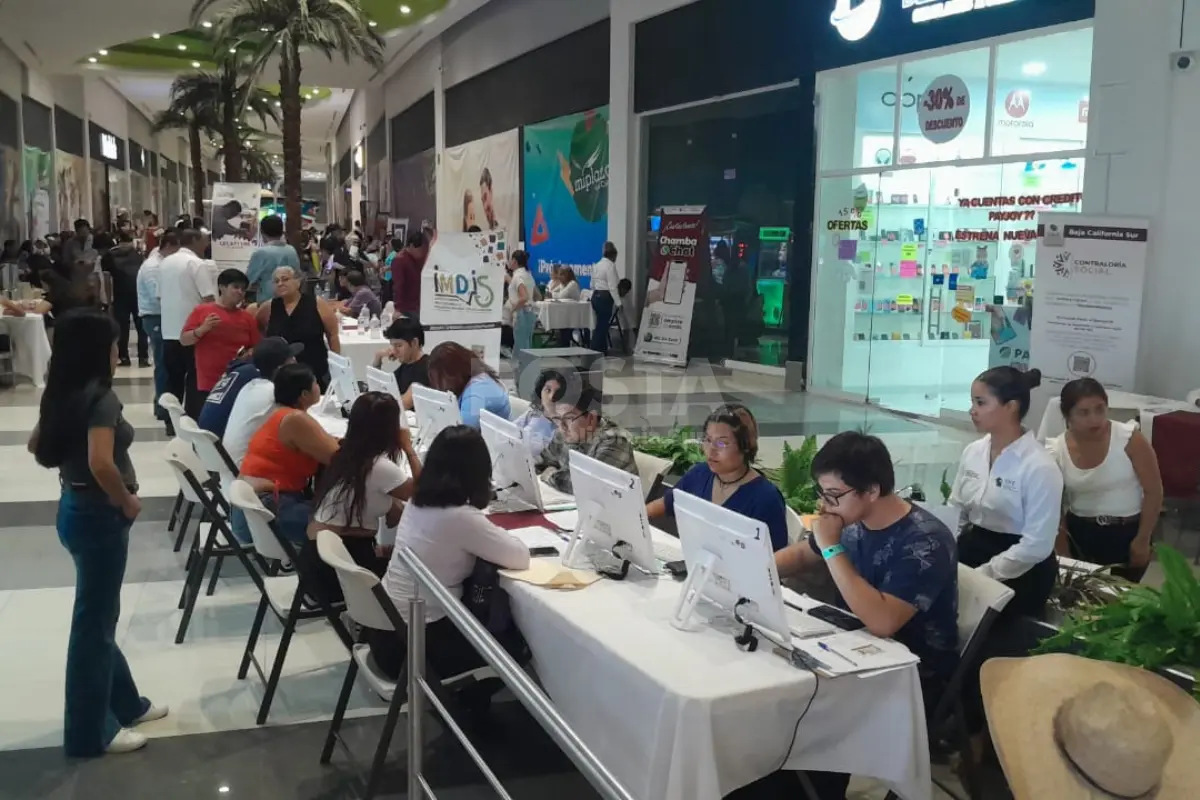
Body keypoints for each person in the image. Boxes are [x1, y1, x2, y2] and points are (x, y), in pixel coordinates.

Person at [773, 431, 959, 800]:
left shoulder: (926, 541)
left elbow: (883, 622)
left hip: (910, 675)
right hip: (851, 651)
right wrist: (753, 566)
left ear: (871, 490)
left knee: (796, 716)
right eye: (822, 493)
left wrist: (830, 546)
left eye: (833, 495)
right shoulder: (853, 519)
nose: (825, 505)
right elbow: (800, 555)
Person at [29, 310, 166, 756]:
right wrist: (125, 500)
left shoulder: (62, 393)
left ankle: (126, 703)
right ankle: (91, 734)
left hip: (72, 506)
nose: (117, 352)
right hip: (99, 514)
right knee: (93, 624)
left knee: (99, 616)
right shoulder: (102, 399)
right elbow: (102, 462)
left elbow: (36, 444)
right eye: (112, 345)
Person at [369, 426, 530, 681]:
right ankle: (468, 709)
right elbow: (520, 556)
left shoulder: (417, 501)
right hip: (415, 650)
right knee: (515, 646)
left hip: (386, 634)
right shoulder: (461, 517)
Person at [951, 367, 1062, 618]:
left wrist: (985, 574)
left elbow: (1037, 543)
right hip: (972, 552)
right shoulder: (973, 451)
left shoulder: (1040, 466)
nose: (972, 410)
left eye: (981, 403)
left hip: (1021, 570)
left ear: (1011, 407)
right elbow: (957, 507)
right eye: (972, 402)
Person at [303, 392, 423, 602]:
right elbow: (422, 492)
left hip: (315, 564)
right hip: (338, 576)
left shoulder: (345, 454)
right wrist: (408, 448)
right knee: (420, 577)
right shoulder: (379, 467)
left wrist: (393, 506)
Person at [1048, 378, 1163, 582]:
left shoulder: (1129, 439)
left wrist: (1143, 539)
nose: (1094, 419)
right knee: (1082, 602)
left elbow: (1154, 490)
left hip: (1127, 533)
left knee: (1120, 600)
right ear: (1068, 416)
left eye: (1100, 409)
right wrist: (1062, 548)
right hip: (1081, 534)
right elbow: (1054, 505)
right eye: (1084, 412)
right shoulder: (1057, 450)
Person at [647, 404, 789, 551]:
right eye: (708, 440)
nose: (711, 450)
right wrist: (635, 519)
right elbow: (668, 502)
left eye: (722, 443)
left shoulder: (766, 499)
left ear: (746, 445)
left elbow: (773, 561)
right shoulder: (700, 474)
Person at [234, 363, 340, 545]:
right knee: (345, 525)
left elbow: (324, 444)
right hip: (266, 512)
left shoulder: (281, 415)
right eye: (315, 383)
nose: (318, 386)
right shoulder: (296, 420)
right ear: (304, 395)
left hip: (255, 509)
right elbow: (338, 458)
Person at [181, 269, 260, 411]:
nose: (240, 292)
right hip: (207, 380)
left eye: (243, 289)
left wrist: (248, 354)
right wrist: (202, 329)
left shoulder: (247, 317)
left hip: (236, 379)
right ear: (222, 287)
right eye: (235, 287)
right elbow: (184, 340)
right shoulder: (202, 311)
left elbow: (256, 346)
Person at [158, 229, 215, 419]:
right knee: (194, 378)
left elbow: (159, 295)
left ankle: (169, 420)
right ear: (194, 240)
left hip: (169, 330)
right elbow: (208, 297)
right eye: (204, 240)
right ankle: (191, 418)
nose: (206, 245)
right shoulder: (196, 263)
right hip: (193, 332)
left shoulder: (165, 263)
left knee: (172, 379)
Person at [199, 335, 300, 441]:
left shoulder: (241, 371)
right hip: (219, 441)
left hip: (207, 443)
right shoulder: (254, 378)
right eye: (291, 360)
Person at [256, 266, 340, 391]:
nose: (280, 284)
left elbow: (332, 334)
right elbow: (259, 329)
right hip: (281, 372)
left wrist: (336, 364)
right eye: (276, 281)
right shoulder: (268, 307)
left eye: (285, 279)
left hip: (314, 367)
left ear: (297, 281)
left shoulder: (317, 303)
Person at [541, 384, 636, 493]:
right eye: (557, 418)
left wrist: (550, 475)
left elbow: (587, 485)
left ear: (591, 418)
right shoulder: (564, 432)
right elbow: (542, 462)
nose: (562, 426)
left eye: (568, 418)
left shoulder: (614, 441)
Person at [221, 338, 302, 466]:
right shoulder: (274, 393)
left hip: (231, 465)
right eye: (292, 359)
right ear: (282, 368)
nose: (296, 363)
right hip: (246, 470)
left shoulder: (251, 386)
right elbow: (301, 427)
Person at [136, 232, 179, 430]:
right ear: (169, 246)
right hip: (155, 316)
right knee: (162, 363)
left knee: (166, 363)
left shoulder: (160, 262)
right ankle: (163, 408)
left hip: (161, 316)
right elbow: (157, 295)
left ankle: (160, 403)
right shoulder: (154, 267)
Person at [427, 341, 510, 428]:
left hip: (494, 440)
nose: (439, 386)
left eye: (440, 380)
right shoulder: (468, 381)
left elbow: (463, 431)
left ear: (452, 374)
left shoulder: (477, 390)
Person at [371, 317, 429, 410]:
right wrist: (378, 357)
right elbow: (379, 387)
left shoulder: (425, 369)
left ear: (414, 343)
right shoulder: (407, 363)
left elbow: (403, 404)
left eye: (399, 345)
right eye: (392, 345)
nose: (394, 350)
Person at [245, 214, 300, 304]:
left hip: (268, 303)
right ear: (282, 231)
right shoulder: (291, 250)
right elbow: (298, 275)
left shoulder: (261, 253)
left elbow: (247, 281)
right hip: (292, 302)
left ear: (262, 232)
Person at [513, 369, 564, 459]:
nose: (551, 397)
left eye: (557, 392)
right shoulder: (532, 413)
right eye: (548, 390)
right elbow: (508, 432)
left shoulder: (565, 426)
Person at [391, 229, 428, 319]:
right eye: (421, 250)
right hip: (407, 309)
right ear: (411, 246)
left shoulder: (417, 259)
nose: (423, 253)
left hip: (419, 305)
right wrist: (398, 309)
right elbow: (398, 286)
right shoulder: (400, 260)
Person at [590, 241, 619, 353]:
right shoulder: (610, 266)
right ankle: (594, 350)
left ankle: (602, 350)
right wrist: (618, 303)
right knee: (602, 327)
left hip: (595, 296)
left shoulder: (597, 265)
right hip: (605, 298)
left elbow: (591, 285)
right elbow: (612, 286)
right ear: (613, 255)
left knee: (600, 324)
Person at [507, 249, 537, 354]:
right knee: (527, 345)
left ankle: (521, 368)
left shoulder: (518, 276)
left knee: (520, 347)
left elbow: (524, 297)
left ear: (514, 261)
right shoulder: (529, 275)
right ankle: (527, 368)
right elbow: (538, 295)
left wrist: (513, 309)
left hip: (521, 313)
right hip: (530, 313)